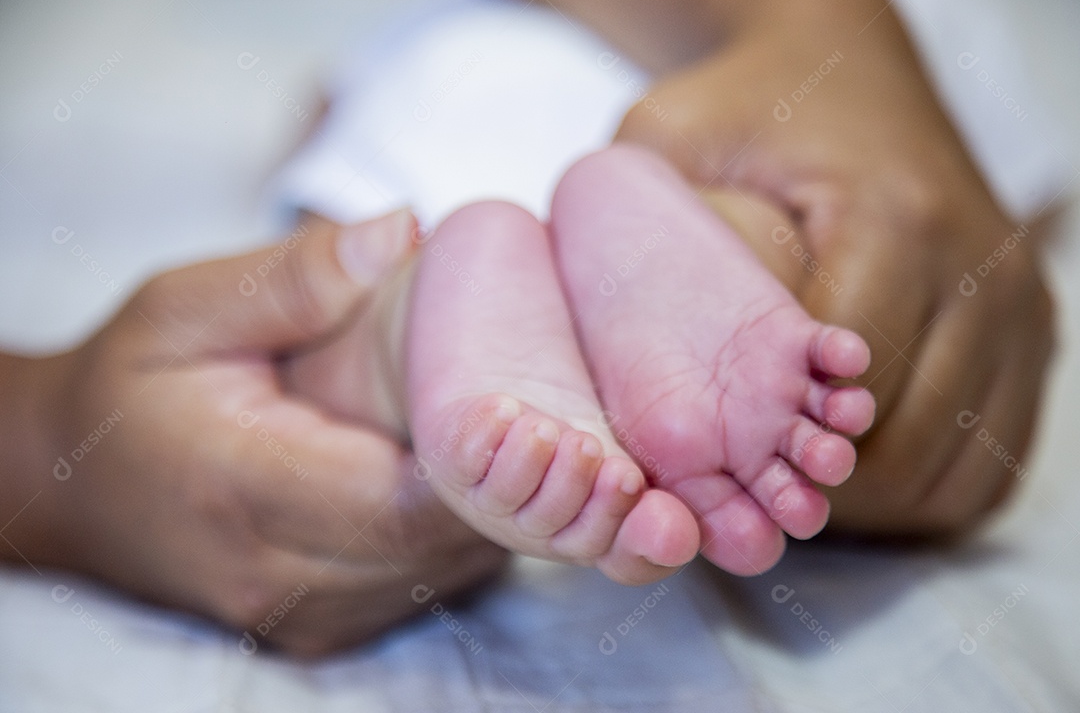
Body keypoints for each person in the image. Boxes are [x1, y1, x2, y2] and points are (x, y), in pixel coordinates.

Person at [0, 0, 1055, 655]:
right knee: (833, 288)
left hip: (467, 74)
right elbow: (1019, 194)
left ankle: (402, 331)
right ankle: (742, 247)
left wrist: (49, 444)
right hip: (769, 119)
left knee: (359, 288)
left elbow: (324, 114)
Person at [285, 144, 876, 582]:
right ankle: (745, 234)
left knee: (340, 332)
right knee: (778, 222)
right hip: (623, 128)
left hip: (410, 185)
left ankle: (406, 332)